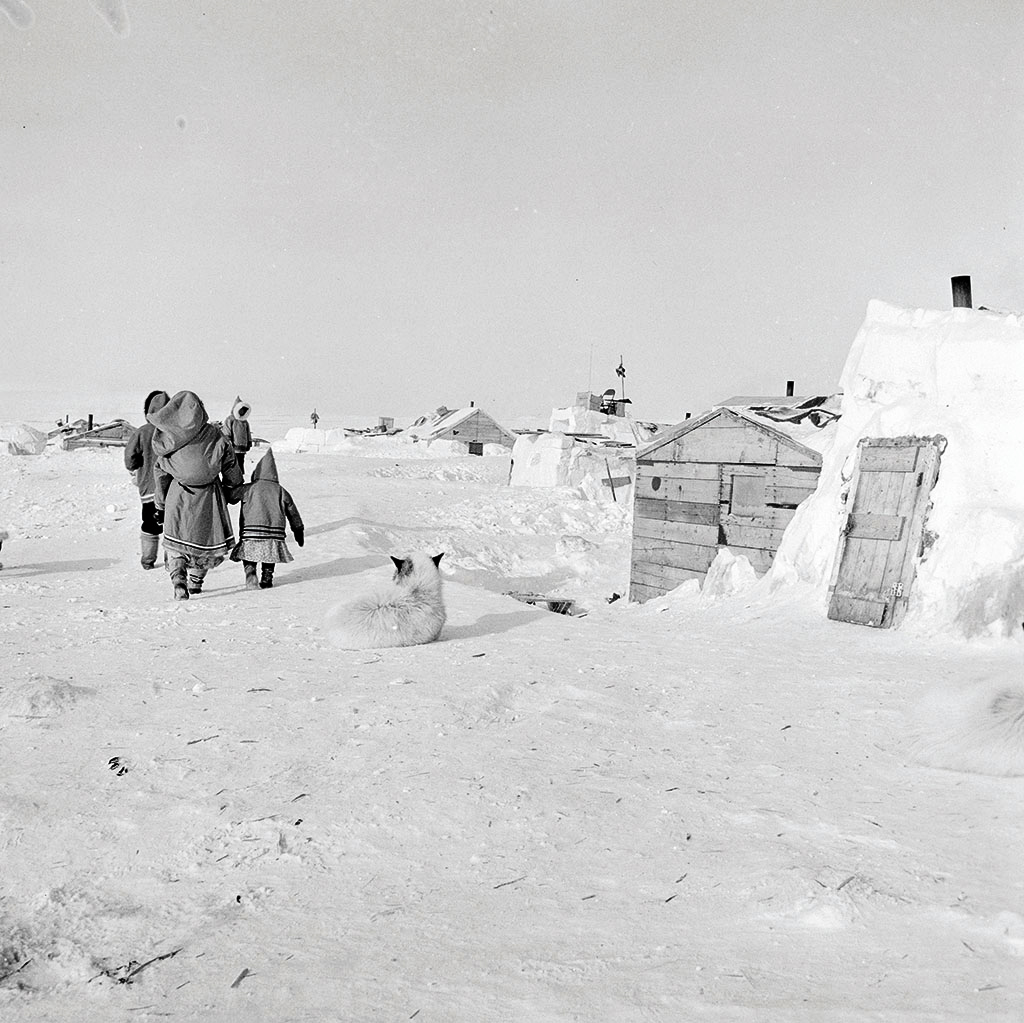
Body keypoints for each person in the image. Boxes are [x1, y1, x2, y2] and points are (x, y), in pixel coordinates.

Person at [149, 391, 243, 600]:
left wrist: (160, 504)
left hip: (178, 495)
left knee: (176, 543)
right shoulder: (216, 435)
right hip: (209, 497)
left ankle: (178, 579)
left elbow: (160, 472)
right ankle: (195, 582)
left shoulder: (169, 439)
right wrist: (234, 490)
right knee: (204, 544)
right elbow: (230, 466)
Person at [229, 449, 304, 590]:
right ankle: (267, 576)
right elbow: (292, 511)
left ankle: (250, 572)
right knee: (269, 554)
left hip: (251, 531)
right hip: (274, 532)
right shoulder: (281, 490)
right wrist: (298, 528)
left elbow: (231, 497)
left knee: (249, 553)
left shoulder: (249, 488)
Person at [124, 389, 170, 570]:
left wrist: (135, 468)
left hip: (149, 489)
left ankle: (148, 560)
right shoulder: (176, 432)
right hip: (172, 489)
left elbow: (130, 458)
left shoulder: (142, 432)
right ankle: (171, 562)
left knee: (150, 524)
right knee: (172, 526)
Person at [222, 396, 253, 476]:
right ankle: (233, 481)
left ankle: (240, 480)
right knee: (233, 466)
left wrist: (249, 442)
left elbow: (247, 432)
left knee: (241, 464)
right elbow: (227, 432)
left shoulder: (245, 422)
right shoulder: (230, 419)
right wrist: (229, 443)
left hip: (242, 448)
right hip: (233, 448)